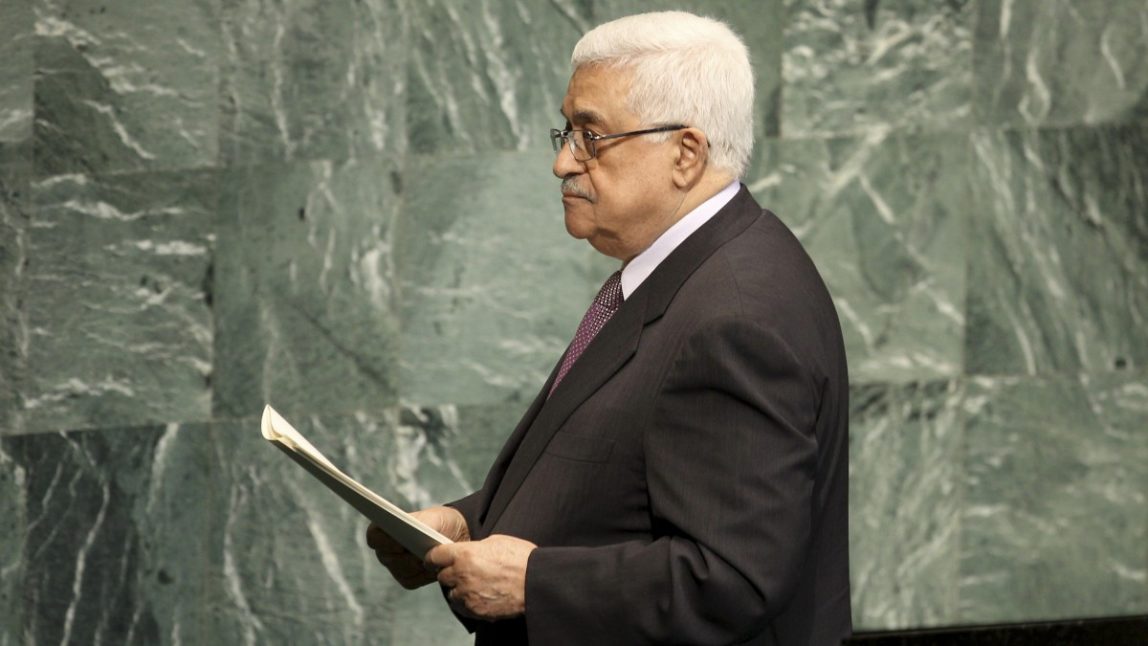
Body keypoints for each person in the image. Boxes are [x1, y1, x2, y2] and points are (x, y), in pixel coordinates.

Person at [367, 11, 851, 646]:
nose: (563, 163)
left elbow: (734, 579)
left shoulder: (735, 316)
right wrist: (464, 526)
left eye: (591, 137)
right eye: (567, 132)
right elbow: (607, 482)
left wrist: (535, 584)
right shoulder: (680, 268)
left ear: (685, 153)